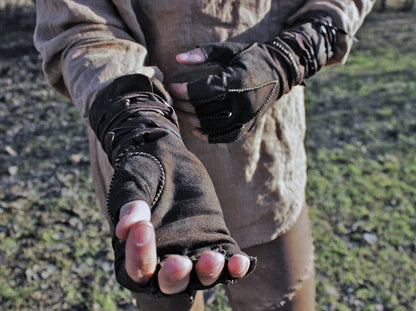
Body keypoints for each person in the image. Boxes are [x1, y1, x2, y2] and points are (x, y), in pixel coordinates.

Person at [34, 1, 375, 310]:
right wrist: (140, 125)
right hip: (148, 180)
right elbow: (78, 23)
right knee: (165, 282)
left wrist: (296, 51)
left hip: (265, 162)